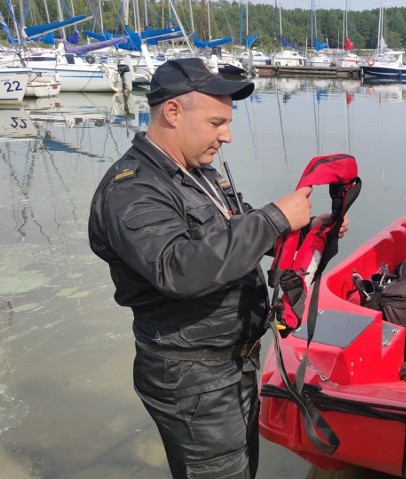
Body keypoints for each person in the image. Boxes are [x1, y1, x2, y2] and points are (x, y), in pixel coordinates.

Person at [88, 58, 344, 478]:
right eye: (215, 122)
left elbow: (234, 239)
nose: (226, 135)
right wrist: (274, 218)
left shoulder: (197, 173)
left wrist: (307, 230)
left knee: (241, 469)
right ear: (173, 112)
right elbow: (177, 268)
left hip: (232, 364)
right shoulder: (132, 190)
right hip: (191, 377)